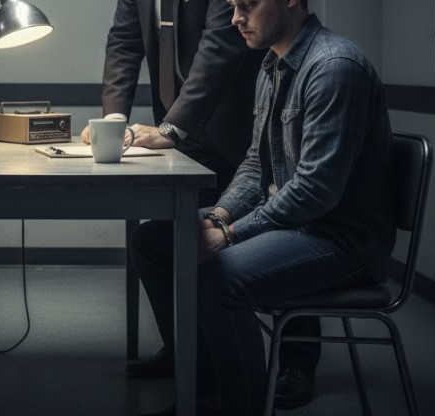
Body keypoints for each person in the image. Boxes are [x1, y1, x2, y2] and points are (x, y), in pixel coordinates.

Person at [131, 0, 397, 414]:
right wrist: (217, 216)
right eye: (234, 5)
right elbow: (257, 164)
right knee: (152, 240)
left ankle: (241, 406)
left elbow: (315, 191)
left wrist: (230, 233)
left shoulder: (334, 67)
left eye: (248, 5)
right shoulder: (272, 65)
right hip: (296, 227)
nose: (236, 17)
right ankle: (205, 387)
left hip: (340, 239)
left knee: (221, 278)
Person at [86, 0, 318, 407]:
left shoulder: (329, 65)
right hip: (182, 128)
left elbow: (220, 45)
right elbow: (123, 43)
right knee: (170, 239)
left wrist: (172, 128)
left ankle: (296, 361)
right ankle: (192, 357)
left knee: (274, 234)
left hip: (233, 122)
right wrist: (113, 125)